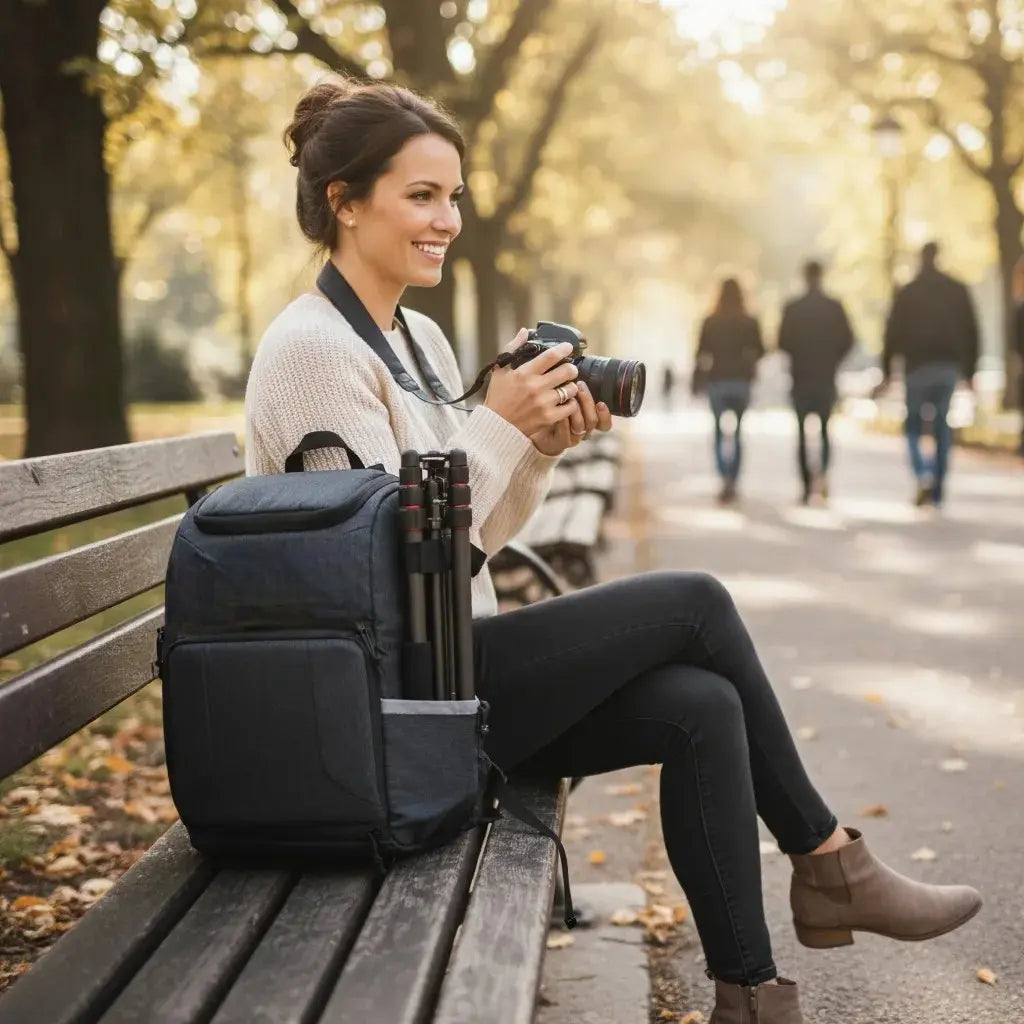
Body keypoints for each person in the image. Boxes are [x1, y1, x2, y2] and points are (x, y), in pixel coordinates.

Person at [245, 78, 982, 1024]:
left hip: (444, 678)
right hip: (384, 710)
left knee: (701, 706)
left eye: (455, 195)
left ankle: (753, 999)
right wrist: (500, 429)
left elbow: (470, 544)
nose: (448, 219)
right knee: (695, 603)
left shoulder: (414, 336)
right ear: (344, 200)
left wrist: (537, 447)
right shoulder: (312, 352)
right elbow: (387, 574)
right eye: (420, 195)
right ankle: (830, 863)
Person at [878, 242, 979, 507]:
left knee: (912, 425)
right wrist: (970, 371)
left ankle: (923, 472)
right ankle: (937, 484)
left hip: (917, 367)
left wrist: (887, 370)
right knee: (941, 426)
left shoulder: (908, 292)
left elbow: (891, 332)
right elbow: (971, 330)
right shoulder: (956, 290)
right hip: (947, 366)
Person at [778, 260, 854, 504]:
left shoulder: (793, 308)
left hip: (801, 378)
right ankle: (821, 477)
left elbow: (782, 342)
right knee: (824, 432)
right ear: (822, 276)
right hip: (825, 378)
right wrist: (832, 359)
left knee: (801, 434)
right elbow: (848, 340)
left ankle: (806, 484)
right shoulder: (834, 307)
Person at [694, 278, 765, 503]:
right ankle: (733, 479)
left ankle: (723, 476)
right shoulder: (750, 321)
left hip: (718, 382)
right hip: (741, 382)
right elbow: (761, 350)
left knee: (717, 432)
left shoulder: (710, 321)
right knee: (737, 433)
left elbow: (701, 353)